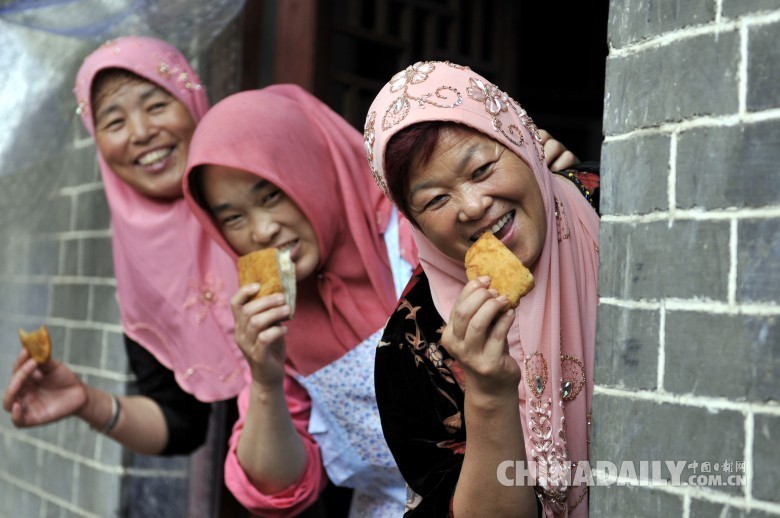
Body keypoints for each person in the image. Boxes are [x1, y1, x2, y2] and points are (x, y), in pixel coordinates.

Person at [182, 81, 583, 517]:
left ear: (313, 166)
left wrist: (548, 187)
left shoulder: (428, 231)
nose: (261, 232)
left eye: (272, 194)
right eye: (234, 218)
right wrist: (263, 378)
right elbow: (279, 489)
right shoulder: (274, 325)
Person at [363, 61, 599, 516]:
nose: (473, 207)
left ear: (524, 140)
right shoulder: (413, 346)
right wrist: (489, 394)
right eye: (435, 199)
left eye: (481, 169)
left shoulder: (622, 208)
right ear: (413, 222)